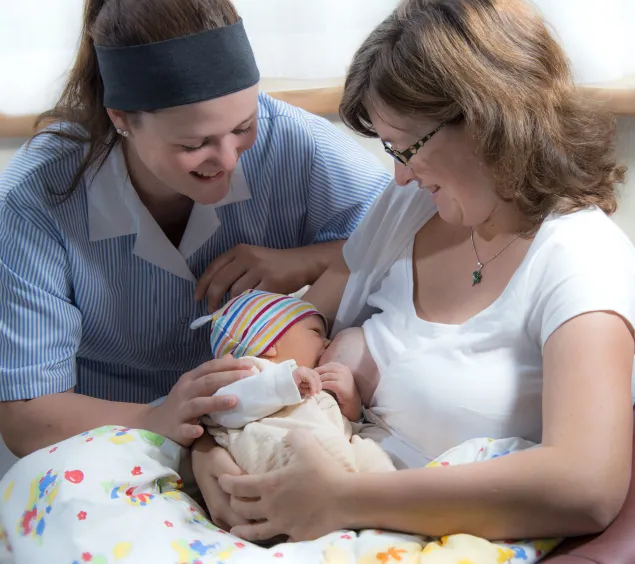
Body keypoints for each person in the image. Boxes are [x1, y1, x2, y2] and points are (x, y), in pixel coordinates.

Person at [192, 0, 635, 545]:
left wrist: (338, 500)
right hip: (309, 497)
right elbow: (288, 342)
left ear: (487, 119)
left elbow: (587, 486)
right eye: (389, 149)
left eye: (408, 148)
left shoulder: (580, 258)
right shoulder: (412, 208)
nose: (398, 176)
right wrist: (214, 454)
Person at [0, 0, 390, 458]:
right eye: (195, 143)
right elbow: (26, 417)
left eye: (244, 127)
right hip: (105, 437)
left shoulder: (292, 142)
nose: (227, 159)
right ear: (121, 118)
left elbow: (419, 230)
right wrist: (158, 418)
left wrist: (310, 260)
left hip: (259, 426)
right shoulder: (34, 199)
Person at [193, 289, 396, 475]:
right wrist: (285, 382)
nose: (327, 342)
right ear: (269, 343)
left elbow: (342, 426)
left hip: (336, 446)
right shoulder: (250, 371)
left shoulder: (314, 386)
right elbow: (225, 407)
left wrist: (351, 404)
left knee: (373, 456)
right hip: (281, 448)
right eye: (316, 333)